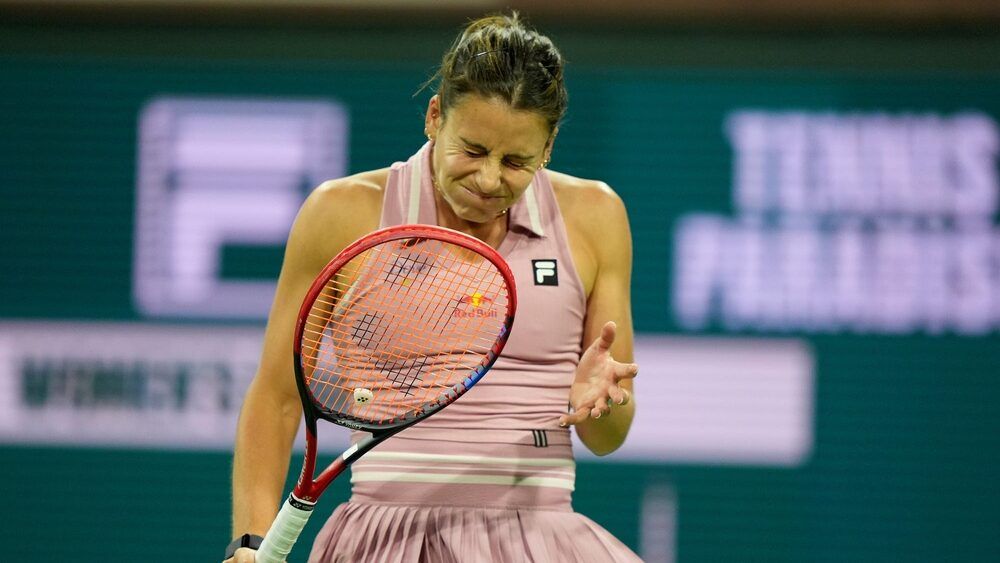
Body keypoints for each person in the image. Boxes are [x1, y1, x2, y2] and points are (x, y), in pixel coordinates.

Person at [226, 12, 640, 563]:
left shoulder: (596, 217)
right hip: (383, 540)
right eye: (472, 150)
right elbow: (277, 398)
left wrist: (599, 408)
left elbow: (608, 438)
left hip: (543, 539)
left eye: (516, 161)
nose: (490, 180)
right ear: (434, 116)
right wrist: (250, 543)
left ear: (548, 148)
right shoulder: (343, 213)